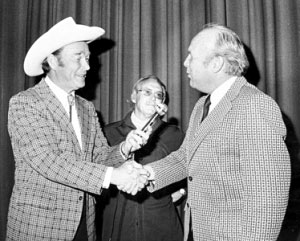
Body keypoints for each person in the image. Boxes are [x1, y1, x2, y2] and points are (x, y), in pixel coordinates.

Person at [6, 17, 150, 241]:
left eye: (88, 58)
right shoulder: (25, 103)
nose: (88, 66)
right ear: (53, 61)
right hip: (39, 228)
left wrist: (124, 149)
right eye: (79, 58)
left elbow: (99, 156)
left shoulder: (87, 108)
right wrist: (114, 176)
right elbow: (46, 160)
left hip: (85, 224)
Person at [144, 23, 291, 241]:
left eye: (191, 56)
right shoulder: (202, 105)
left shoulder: (255, 105)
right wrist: (146, 173)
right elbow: (186, 158)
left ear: (216, 63)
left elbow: (267, 200)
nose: (185, 63)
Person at [97, 75, 186, 241]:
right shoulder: (107, 133)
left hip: (160, 225)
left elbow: (190, 168)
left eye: (158, 95)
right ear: (133, 96)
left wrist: (181, 190)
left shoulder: (174, 134)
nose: (153, 98)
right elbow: (96, 169)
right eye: (147, 92)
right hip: (118, 225)